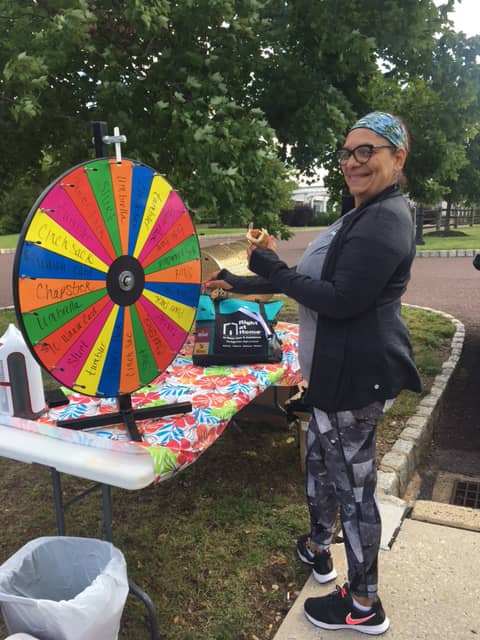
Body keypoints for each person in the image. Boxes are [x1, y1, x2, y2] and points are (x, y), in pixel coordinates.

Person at [204, 111, 421, 635]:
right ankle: (319, 548)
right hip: (333, 374)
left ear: (398, 156)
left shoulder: (387, 218)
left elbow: (342, 300)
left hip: (355, 377)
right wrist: (237, 278)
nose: (353, 162)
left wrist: (271, 269)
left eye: (366, 151)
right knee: (322, 465)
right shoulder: (361, 213)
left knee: (353, 487)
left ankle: (364, 605)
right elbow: (310, 280)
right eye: (347, 153)